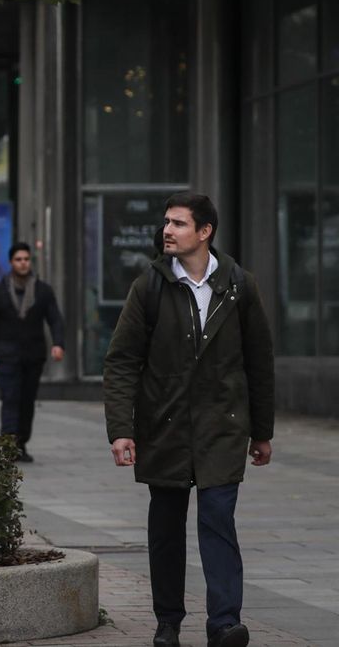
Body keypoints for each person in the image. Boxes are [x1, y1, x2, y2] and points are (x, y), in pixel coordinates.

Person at [103, 192, 274, 647]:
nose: (167, 230)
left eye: (178, 223)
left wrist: (262, 432)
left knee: (218, 522)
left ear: (205, 231)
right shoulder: (150, 286)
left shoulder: (239, 286)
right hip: (165, 426)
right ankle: (168, 623)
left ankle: (224, 624)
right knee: (166, 530)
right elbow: (122, 361)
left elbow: (259, 362)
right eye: (166, 222)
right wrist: (121, 430)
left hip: (222, 427)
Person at [0, 242, 65, 462]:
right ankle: (7, 445)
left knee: (27, 401)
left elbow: (55, 319)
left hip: (33, 355)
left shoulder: (43, 290)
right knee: (10, 398)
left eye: (26, 259)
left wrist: (58, 343)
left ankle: (21, 444)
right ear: (11, 262)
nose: (23, 263)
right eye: (18, 260)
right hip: (7, 354)